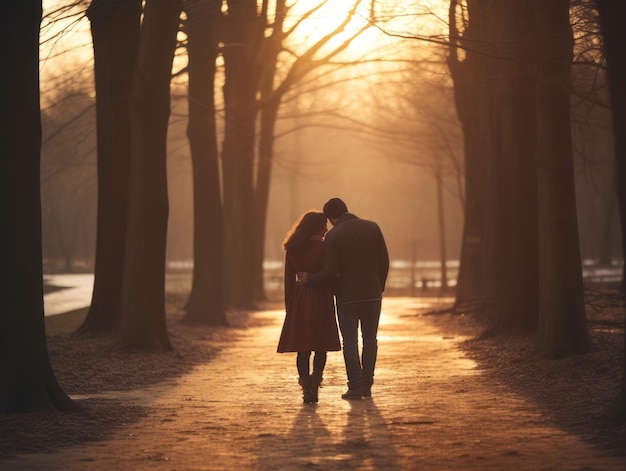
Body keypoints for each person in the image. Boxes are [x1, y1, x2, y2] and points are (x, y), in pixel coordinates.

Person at [299, 198, 389, 400]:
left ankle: (355, 387)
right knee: (370, 340)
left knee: (350, 342)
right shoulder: (372, 227)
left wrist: (311, 279)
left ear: (331, 218)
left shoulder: (333, 236)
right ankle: (367, 385)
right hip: (372, 295)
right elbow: (384, 261)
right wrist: (378, 286)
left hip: (347, 298)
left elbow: (331, 271)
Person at [277, 211, 341, 404]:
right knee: (321, 345)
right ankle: (315, 385)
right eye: (323, 225)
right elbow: (332, 273)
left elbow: (289, 280)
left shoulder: (293, 248)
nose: (326, 228)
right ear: (317, 227)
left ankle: (306, 387)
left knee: (302, 347)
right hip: (321, 296)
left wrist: (290, 306)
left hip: (300, 299)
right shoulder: (324, 247)